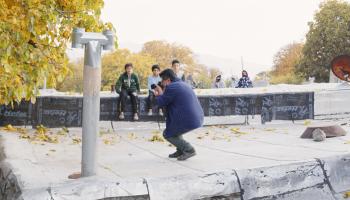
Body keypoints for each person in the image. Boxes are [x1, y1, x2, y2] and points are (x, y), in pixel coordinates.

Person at [153, 69, 204, 161]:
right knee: (175, 131)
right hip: (195, 117)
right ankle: (181, 150)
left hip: (187, 119)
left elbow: (161, 102)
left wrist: (159, 94)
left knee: (168, 134)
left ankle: (189, 149)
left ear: (168, 80)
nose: (161, 83)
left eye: (162, 81)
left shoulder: (172, 87)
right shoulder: (182, 84)